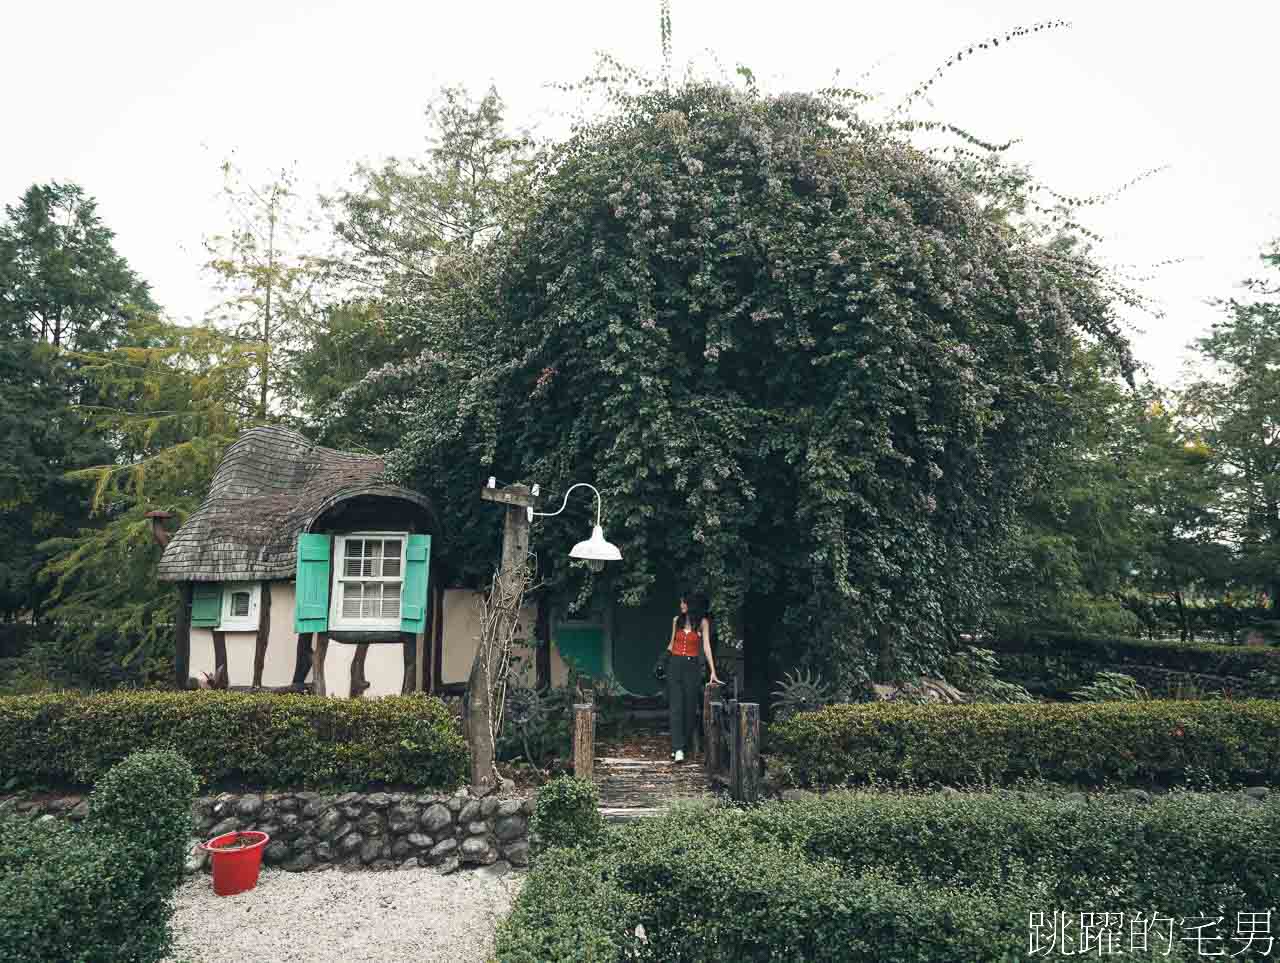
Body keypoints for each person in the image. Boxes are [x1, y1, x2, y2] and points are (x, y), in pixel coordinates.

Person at [667, 594, 721, 763]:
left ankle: (682, 745)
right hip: (675, 665)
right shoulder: (677, 620)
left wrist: (713, 671)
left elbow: (706, 647)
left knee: (689, 709)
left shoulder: (703, 622)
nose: (681, 604)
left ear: (692, 604)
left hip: (692, 668)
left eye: (684, 601)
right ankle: (677, 748)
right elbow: (670, 644)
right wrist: (663, 661)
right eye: (681, 601)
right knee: (676, 707)